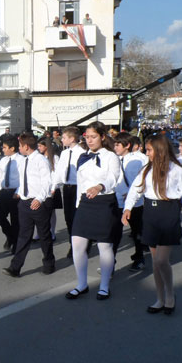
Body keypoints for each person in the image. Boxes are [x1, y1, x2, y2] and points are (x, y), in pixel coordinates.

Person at [123, 133, 182, 314]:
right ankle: (160, 298)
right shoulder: (146, 170)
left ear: (159, 150)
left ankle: (170, 294)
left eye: (149, 150)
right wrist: (128, 208)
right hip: (150, 214)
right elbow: (135, 190)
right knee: (156, 262)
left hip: (168, 213)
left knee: (161, 260)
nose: (146, 153)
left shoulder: (177, 170)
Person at [65, 122, 121, 300]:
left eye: (93, 137)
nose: (89, 140)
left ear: (102, 137)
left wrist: (99, 186)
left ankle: (104, 286)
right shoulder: (83, 157)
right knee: (77, 244)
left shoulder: (111, 156)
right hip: (85, 204)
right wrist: (78, 204)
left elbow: (114, 177)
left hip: (104, 202)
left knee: (105, 246)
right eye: (87, 137)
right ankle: (81, 284)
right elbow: (80, 183)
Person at [2, 133, 55, 278]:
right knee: (23, 236)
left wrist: (39, 198)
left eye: (20, 146)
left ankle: (49, 263)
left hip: (39, 203)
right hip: (24, 203)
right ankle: (15, 267)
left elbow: (47, 181)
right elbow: (24, 180)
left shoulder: (40, 160)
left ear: (26, 146)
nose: (18, 148)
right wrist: (18, 193)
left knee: (44, 235)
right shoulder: (24, 161)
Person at [114, 132, 148, 271]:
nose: (115, 147)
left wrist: (130, 195)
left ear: (127, 145)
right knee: (114, 233)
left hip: (134, 203)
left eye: (118, 145)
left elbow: (140, 181)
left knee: (136, 232)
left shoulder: (137, 160)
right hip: (117, 201)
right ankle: (110, 262)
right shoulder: (115, 159)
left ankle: (139, 258)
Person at [57, 126, 84, 258]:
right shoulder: (64, 153)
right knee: (68, 217)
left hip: (78, 187)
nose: (62, 140)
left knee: (77, 217)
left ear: (72, 139)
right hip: (67, 187)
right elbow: (59, 170)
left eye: (64, 137)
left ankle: (80, 245)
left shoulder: (82, 153)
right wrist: (53, 186)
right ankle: (72, 243)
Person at [0, 134, 22, 253]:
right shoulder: (3, 160)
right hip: (4, 192)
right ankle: (11, 236)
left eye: (5, 147)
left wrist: (18, 192)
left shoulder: (21, 160)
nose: (3, 149)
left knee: (15, 219)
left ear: (12, 148)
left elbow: (23, 179)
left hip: (15, 192)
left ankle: (16, 243)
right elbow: (0, 177)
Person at [38, 138, 63, 239]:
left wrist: (53, 188)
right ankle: (41, 232)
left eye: (40, 146)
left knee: (51, 212)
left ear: (46, 146)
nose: (38, 148)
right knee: (40, 212)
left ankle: (52, 231)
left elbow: (56, 174)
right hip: (42, 188)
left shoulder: (55, 158)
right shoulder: (40, 158)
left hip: (52, 188)